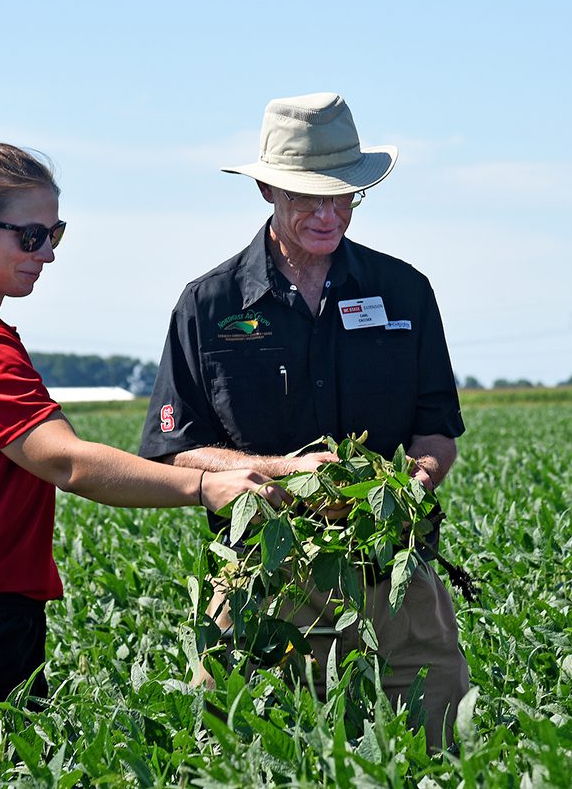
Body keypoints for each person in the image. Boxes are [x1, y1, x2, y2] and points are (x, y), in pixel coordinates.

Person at [0, 133, 276, 713]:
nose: (47, 252)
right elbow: (66, 461)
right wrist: (203, 485)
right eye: (31, 236)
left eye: (55, 234)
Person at [137, 93, 468, 747]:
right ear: (266, 187)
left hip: (393, 574)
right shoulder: (209, 305)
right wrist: (287, 473)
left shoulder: (404, 292)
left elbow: (437, 432)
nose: (327, 214)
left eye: (343, 195)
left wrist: (406, 490)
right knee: (247, 755)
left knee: (437, 752)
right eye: (306, 198)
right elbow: (174, 451)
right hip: (263, 576)